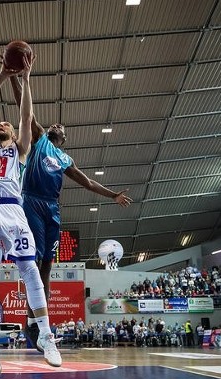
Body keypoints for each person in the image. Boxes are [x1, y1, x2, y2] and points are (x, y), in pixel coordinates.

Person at [8, 75, 132, 348]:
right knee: (35, 262)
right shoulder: (39, 138)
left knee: (48, 267)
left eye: (61, 127)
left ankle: (36, 323)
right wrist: (15, 78)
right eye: (55, 124)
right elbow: (23, 108)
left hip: (52, 207)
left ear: (63, 139)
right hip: (31, 201)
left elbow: (87, 182)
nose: (56, 126)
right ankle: (31, 323)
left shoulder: (65, 159)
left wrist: (113, 195)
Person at [0, 53, 61, 376]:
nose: (1, 124)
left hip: (12, 209)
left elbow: (26, 115)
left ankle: (47, 337)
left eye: (5, 124)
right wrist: (1, 76)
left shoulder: (19, 149)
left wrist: (24, 79)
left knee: (31, 270)